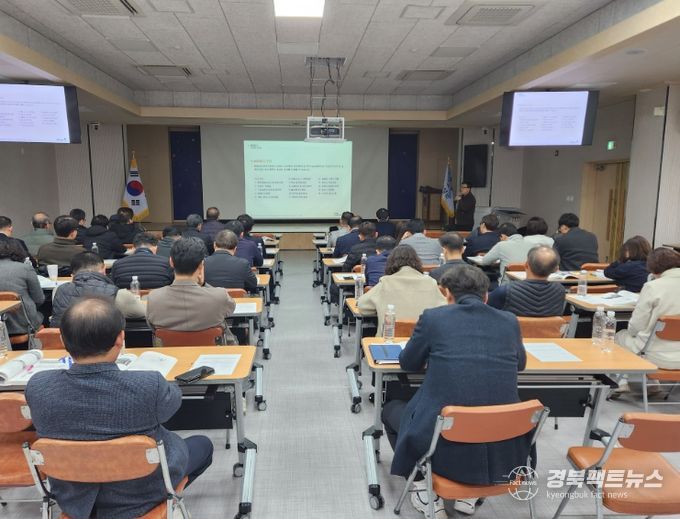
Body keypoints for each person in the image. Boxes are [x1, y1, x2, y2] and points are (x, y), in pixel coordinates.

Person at [25, 297, 213, 519]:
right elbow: (172, 404)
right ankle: (165, 501)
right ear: (120, 338)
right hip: (142, 491)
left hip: (74, 496)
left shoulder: (38, 387)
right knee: (203, 445)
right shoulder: (148, 385)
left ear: (63, 341)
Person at [381, 264, 528, 518]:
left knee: (391, 410)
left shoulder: (433, 318)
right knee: (478, 412)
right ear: (486, 295)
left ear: (446, 292)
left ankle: (422, 486)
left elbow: (408, 362)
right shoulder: (509, 320)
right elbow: (521, 364)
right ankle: (469, 493)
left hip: (443, 437)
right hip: (503, 439)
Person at [147, 237, 237, 343]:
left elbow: (152, 326)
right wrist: (204, 284)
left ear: (171, 262)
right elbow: (230, 309)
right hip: (210, 352)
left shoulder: (154, 298)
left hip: (171, 352)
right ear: (201, 265)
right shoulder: (219, 296)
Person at [357, 245, 445, 336]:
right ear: (417, 262)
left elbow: (362, 307)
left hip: (389, 340)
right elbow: (445, 309)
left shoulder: (386, 282)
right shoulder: (430, 282)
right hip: (426, 341)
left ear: (390, 262)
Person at [615, 248, 680, 369]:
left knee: (618, 336)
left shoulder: (652, 287)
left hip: (656, 354)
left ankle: (619, 379)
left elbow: (636, 327)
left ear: (653, 270)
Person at [50, 252, 145, 328]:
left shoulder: (59, 290)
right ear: (104, 269)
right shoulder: (119, 294)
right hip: (105, 344)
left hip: (66, 344)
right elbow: (144, 314)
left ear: (73, 275)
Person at [487, 246, 566, 316]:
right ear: (556, 269)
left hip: (513, 328)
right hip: (549, 329)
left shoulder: (506, 290)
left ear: (526, 265)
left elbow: (486, 309)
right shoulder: (560, 291)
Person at [0, 238, 44, 336]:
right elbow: (39, 299)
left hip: (3, 326)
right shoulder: (25, 268)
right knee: (43, 313)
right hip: (24, 325)